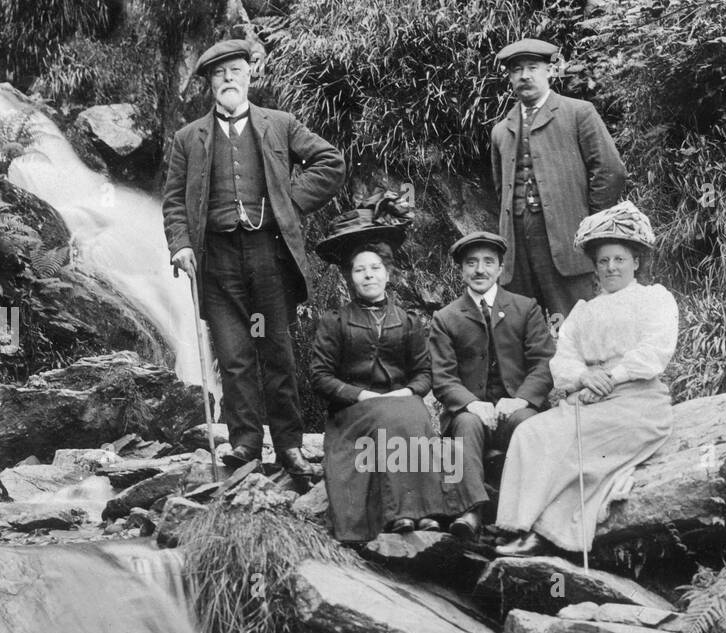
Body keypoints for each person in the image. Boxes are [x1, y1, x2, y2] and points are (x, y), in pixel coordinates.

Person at [162, 37, 345, 476]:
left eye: (236, 71)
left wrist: (288, 201)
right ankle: (244, 443)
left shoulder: (279, 123)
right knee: (234, 354)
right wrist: (181, 243)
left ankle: (290, 447)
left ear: (249, 76)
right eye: (219, 74)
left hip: (268, 258)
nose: (228, 79)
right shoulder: (189, 138)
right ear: (209, 83)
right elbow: (172, 201)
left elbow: (330, 162)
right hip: (217, 261)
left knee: (274, 350)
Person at [494, 201, 678, 557]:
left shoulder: (654, 299)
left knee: (577, 443)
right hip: (589, 398)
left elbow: (654, 350)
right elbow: (563, 360)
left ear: (636, 261)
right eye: (603, 261)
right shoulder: (583, 312)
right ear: (594, 266)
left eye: (619, 259)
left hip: (638, 402)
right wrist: (583, 376)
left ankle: (546, 533)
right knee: (532, 432)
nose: (611, 267)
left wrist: (611, 375)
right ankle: (514, 524)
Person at [311, 209, 469, 543]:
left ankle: (426, 512)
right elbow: (320, 376)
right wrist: (360, 395)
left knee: (413, 410)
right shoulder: (334, 322)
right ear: (350, 278)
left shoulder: (409, 322)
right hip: (352, 415)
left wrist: (408, 391)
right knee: (394, 414)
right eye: (360, 270)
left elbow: (424, 372)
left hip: (399, 403)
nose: (368, 276)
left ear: (387, 273)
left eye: (375, 269)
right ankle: (401, 513)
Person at [490, 37, 627, 325]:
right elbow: (500, 189)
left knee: (579, 326)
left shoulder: (578, 112)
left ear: (550, 71)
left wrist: (589, 226)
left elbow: (610, 171)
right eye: (516, 70)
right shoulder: (501, 131)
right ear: (510, 78)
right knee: (521, 330)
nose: (524, 76)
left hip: (568, 243)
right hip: (517, 250)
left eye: (532, 67)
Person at [429, 231, 556, 541]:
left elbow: (544, 363)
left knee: (528, 425)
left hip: (515, 409)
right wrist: (472, 403)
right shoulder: (446, 318)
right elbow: (442, 377)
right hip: (470, 411)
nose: (480, 270)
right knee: (467, 425)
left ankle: (524, 519)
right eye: (471, 263)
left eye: (488, 262)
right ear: (461, 271)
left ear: (500, 268)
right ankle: (472, 511)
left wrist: (522, 400)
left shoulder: (525, 308)